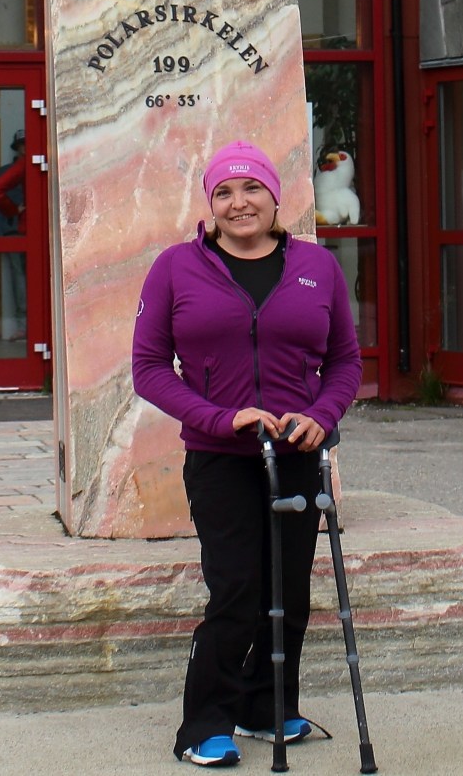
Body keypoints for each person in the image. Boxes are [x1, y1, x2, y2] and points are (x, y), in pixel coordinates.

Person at [132, 140, 362, 767]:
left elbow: (345, 361)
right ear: (210, 206)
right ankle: (204, 725)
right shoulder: (176, 268)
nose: (239, 203)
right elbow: (149, 368)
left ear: (273, 196)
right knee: (235, 591)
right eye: (224, 193)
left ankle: (268, 706)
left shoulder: (318, 267)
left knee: (289, 590)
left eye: (251, 189)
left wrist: (321, 415)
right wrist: (219, 417)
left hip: (297, 452)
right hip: (221, 456)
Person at [0, 130, 27, 339]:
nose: (25, 148)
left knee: (23, 278)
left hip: (22, 231)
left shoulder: (17, 168)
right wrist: (14, 210)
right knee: (22, 278)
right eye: (23, 145)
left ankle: (28, 326)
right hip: (19, 232)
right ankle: (26, 325)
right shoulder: (22, 167)